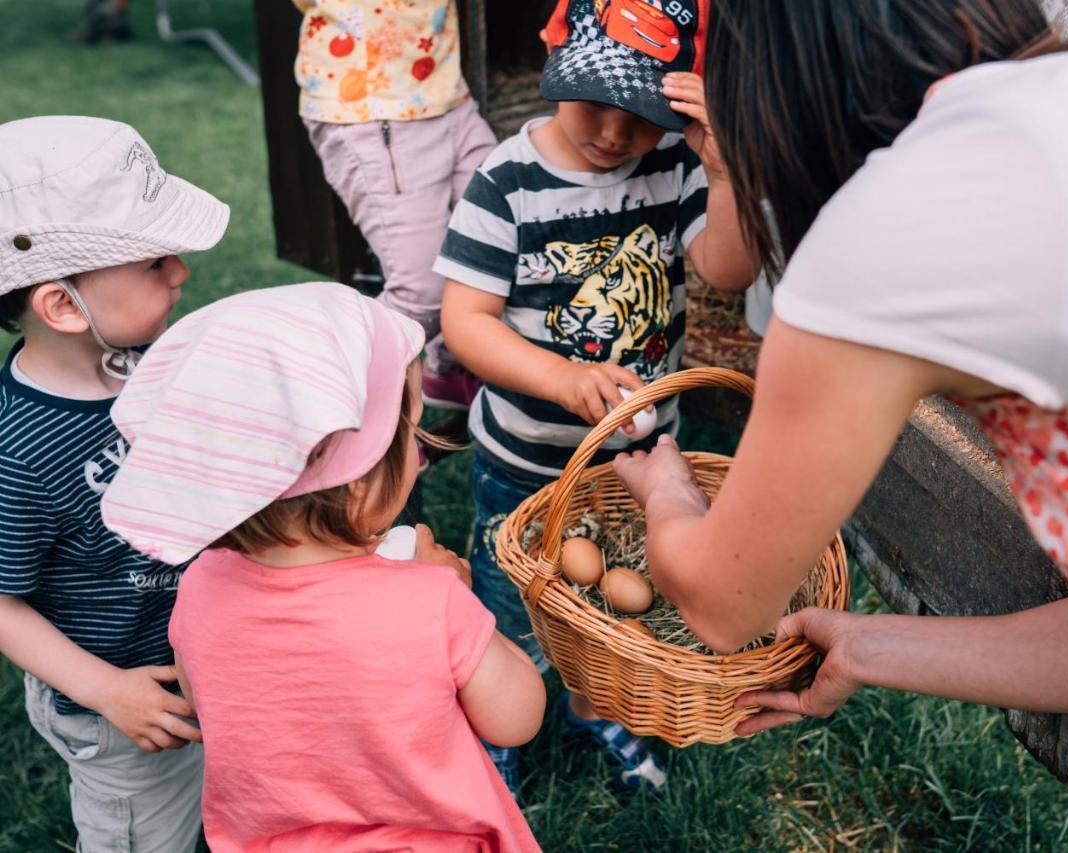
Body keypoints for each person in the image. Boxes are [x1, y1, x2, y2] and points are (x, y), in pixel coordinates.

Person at [611, 0, 1068, 732]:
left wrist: (669, 486)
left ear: (775, 102)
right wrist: (865, 645)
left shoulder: (898, 221)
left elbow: (722, 601)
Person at [438, 0, 758, 796]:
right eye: (595, 104)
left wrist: (722, 168)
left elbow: (727, 269)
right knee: (514, 600)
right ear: (555, 57)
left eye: (644, 116)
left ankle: (596, 699)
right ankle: (498, 727)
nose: (616, 135)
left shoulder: (676, 168)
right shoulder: (506, 183)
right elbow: (465, 322)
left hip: (637, 463)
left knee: (618, 593)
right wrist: (561, 378)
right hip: (524, 459)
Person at [101, 282, 545, 851]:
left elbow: (210, 700)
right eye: (407, 432)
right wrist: (460, 595)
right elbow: (517, 718)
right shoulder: (430, 601)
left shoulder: (203, 585)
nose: (419, 449)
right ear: (358, 482)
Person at [0, 115, 228, 852]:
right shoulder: (18, 453)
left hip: (196, 655)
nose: (181, 273)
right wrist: (105, 690)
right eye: (156, 262)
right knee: (145, 835)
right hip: (121, 698)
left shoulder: (145, 354)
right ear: (64, 305)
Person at [291, 0, 497, 409]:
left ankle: (448, 370)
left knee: (496, 247)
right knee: (421, 294)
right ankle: (322, 403)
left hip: (446, 94)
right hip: (373, 106)